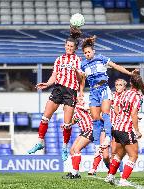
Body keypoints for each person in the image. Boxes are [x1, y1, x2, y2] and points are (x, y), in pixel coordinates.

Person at [27, 26, 83, 162]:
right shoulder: (59, 59)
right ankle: (40, 143)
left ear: (75, 48)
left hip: (71, 91)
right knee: (45, 117)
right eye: (67, 45)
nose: (69, 48)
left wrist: (80, 94)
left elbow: (82, 78)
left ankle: (64, 147)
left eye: (71, 46)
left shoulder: (78, 60)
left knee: (67, 123)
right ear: (65, 46)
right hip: (58, 89)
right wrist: (47, 84)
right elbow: (54, 75)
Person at [79, 35, 135, 162]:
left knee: (105, 113)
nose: (87, 54)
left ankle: (108, 137)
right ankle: (98, 146)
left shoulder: (101, 58)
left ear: (93, 51)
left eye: (89, 52)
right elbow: (82, 79)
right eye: (85, 53)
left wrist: (129, 73)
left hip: (104, 89)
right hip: (93, 92)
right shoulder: (82, 64)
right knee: (95, 120)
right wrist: (81, 92)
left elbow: (116, 66)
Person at [105, 73, 144, 186]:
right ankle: (123, 180)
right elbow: (133, 113)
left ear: (130, 84)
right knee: (133, 155)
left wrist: (124, 116)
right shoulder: (137, 96)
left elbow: (118, 108)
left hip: (117, 127)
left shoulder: (125, 94)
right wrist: (137, 130)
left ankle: (110, 176)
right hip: (126, 129)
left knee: (119, 154)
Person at [88, 79, 127, 176]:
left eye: (120, 85)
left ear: (124, 87)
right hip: (106, 128)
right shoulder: (109, 97)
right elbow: (100, 112)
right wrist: (106, 120)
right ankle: (103, 169)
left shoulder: (126, 98)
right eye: (116, 84)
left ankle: (119, 173)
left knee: (114, 152)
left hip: (118, 128)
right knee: (105, 155)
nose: (118, 86)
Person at [62, 99, 93, 179]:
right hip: (84, 131)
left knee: (76, 149)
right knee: (72, 150)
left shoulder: (78, 106)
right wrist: (66, 124)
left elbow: (89, 108)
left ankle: (74, 173)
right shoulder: (72, 111)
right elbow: (75, 120)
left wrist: (88, 108)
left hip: (90, 129)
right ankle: (75, 172)